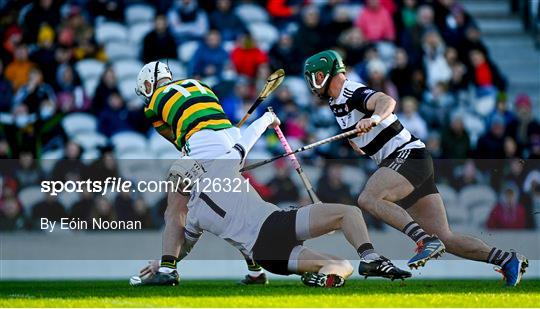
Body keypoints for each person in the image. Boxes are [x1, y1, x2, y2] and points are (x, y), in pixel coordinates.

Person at [132, 61, 410, 286]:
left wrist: (167, 262)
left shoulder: (195, 215)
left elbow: (185, 240)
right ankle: (369, 257)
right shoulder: (226, 166)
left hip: (268, 254)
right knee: (349, 214)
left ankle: (322, 272)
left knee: (340, 265)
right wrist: (266, 119)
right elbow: (242, 142)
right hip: (276, 223)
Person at [303, 50, 528, 286]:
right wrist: (357, 141)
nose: (312, 84)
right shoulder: (334, 104)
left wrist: (375, 119)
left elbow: (386, 101)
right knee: (445, 237)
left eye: (314, 77)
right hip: (406, 162)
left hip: (408, 156)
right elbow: (362, 138)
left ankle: (423, 241)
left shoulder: (350, 91)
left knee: (369, 198)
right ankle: (508, 259)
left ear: (325, 73)